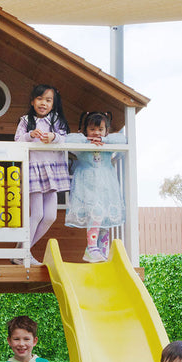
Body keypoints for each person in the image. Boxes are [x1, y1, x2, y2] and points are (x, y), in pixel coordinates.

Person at [14, 84, 70, 265]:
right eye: (40, 99)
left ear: (53, 104)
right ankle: (23, 253)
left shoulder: (57, 121)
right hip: (33, 168)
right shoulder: (25, 120)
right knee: (36, 214)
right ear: (32, 101)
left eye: (48, 100)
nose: (43, 103)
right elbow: (17, 141)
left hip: (52, 170)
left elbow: (65, 138)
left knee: (50, 216)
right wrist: (30, 135)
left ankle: (21, 251)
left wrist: (53, 138)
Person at [65, 111, 126, 262]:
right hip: (87, 184)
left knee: (104, 217)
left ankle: (102, 251)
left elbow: (123, 139)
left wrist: (104, 139)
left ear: (106, 131)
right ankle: (91, 248)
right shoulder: (82, 142)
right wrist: (87, 140)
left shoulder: (108, 142)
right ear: (85, 130)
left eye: (100, 129)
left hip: (106, 184)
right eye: (92, 129)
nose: (96, 133)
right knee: (96, 213)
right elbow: (68, 138)